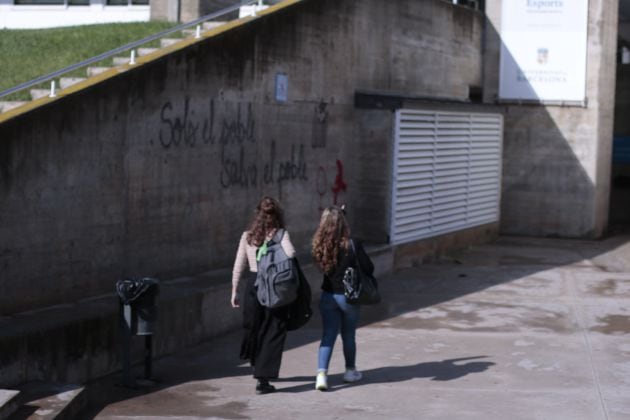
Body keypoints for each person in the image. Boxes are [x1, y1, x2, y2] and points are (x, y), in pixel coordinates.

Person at [231, 196, 296, 395]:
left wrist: (234, 290)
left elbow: (238, 264)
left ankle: (255, 362)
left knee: (254, 326)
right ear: (277, 215)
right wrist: (277, 242)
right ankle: (263, 378)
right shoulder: (281, 234)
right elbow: (291, 254)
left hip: (253, 284)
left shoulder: (247, 236)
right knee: (273, 329)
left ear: (257, 215)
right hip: (273, 286)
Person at [311, 205, 374, 391]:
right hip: (348, 297)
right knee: (348, 335)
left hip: (328, 296)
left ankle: (321, 375)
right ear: (343, 222)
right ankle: (350, 371)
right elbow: (369, 267)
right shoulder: (352, 243)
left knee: (328, 335)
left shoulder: (320, 244)